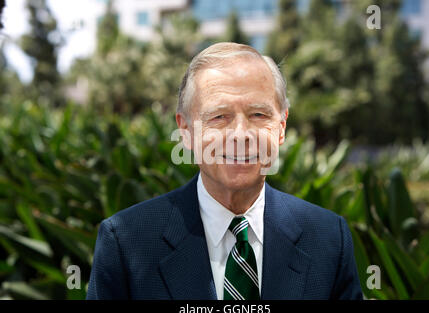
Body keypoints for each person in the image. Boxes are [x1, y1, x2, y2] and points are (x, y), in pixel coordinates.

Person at [86, 42, 363, 300]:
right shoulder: (126, 243)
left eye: (258, 115)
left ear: (281, 126)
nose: (240, 135)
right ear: (185, 131)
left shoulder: (329, 239)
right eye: (219, 117)